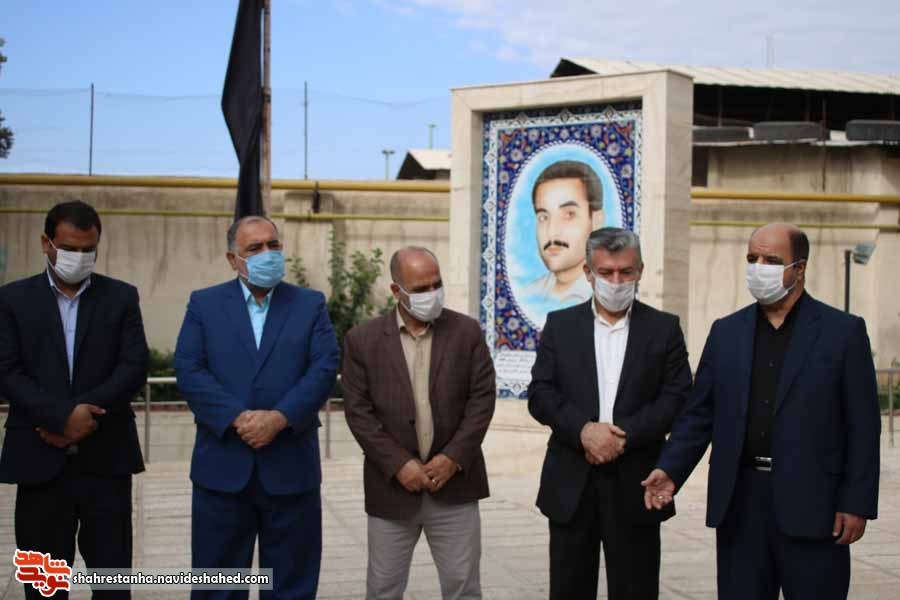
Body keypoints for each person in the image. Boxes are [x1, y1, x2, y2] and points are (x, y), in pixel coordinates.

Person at [642, 223, 881, 600]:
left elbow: (863, 427)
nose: (758, 268)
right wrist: (671, 469)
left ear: (799, 268)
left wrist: (856, 502)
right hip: (740, 504)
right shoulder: (726, 332)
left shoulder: (843, 332)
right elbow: (699, 415)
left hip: (814, 505)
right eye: (752, 258)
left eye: (771, 260)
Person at [174, 215, 340, 600]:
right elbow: (189, 368)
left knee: (291, 587)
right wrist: (237, 418)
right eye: (255, 248)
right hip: (223, 469)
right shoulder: (204, 304)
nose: (268, 253)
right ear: (233, 259)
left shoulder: (309, 304)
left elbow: (324, 367)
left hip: (290, 467)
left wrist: (280, 418)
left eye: (273, 245)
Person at [528, 227, 691, 600]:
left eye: (625, 272)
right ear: (588, 272)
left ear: (640, 271)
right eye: (606, 272)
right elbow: (540, 394)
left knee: (636, 590)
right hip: (572, 482)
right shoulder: (561, 326)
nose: (616, 282)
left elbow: (677, 397)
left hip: (637, 482)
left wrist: (622, 436)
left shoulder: (664, 328)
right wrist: (584, 431)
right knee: (569, 589)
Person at [0, 200, 148, 599]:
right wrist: (61, 418)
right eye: (69, 248)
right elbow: (7, 370)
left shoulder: (121, 297)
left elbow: (133, 366)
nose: (79, 257)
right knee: (44, 587)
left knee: (112, 583)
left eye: (88, 249)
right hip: (38, 461)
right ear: (46, 243)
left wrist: (85, 417)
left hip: (107, 460)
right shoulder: (12, 300)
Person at [342, 246, 496, 600]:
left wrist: (453, 458)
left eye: (436, 284)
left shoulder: (466, 332)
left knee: (463, 588)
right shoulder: (362, 341)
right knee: (383, 589)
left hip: (455, 488)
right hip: (392, 491)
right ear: (396, 291)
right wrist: (399, 464)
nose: (432, 294)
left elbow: (482, 400)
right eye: (421, 289)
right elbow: (359, 412)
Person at [523, 160, 605, 305]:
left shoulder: (607, 299)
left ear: (596, 222)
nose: (551, 232)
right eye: (543, 217)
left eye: (569, 215)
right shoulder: (528, 295)